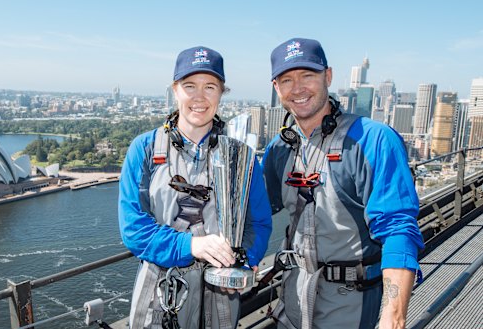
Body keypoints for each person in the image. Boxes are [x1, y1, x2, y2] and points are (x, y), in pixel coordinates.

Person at [262, 37, 425, 329]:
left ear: (328, 76)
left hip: (352, 305)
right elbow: (259, 211)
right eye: (286, 80)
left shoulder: (373, 140)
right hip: (294, 300)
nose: (297, 88)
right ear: (276, 88)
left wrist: (393, 317)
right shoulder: (279, 148)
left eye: (307, 76)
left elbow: (398, 230)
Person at [119, 46, 272, 329]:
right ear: (175, 90)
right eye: (189, 85)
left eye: (210, 87)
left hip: (220, 295)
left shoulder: (242, 156)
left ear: (222, 93)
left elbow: (259, 223)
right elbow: (134, 230)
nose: (199, 97)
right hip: (160, 296)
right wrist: (192, 245)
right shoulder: (145, 149)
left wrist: (239, 262)